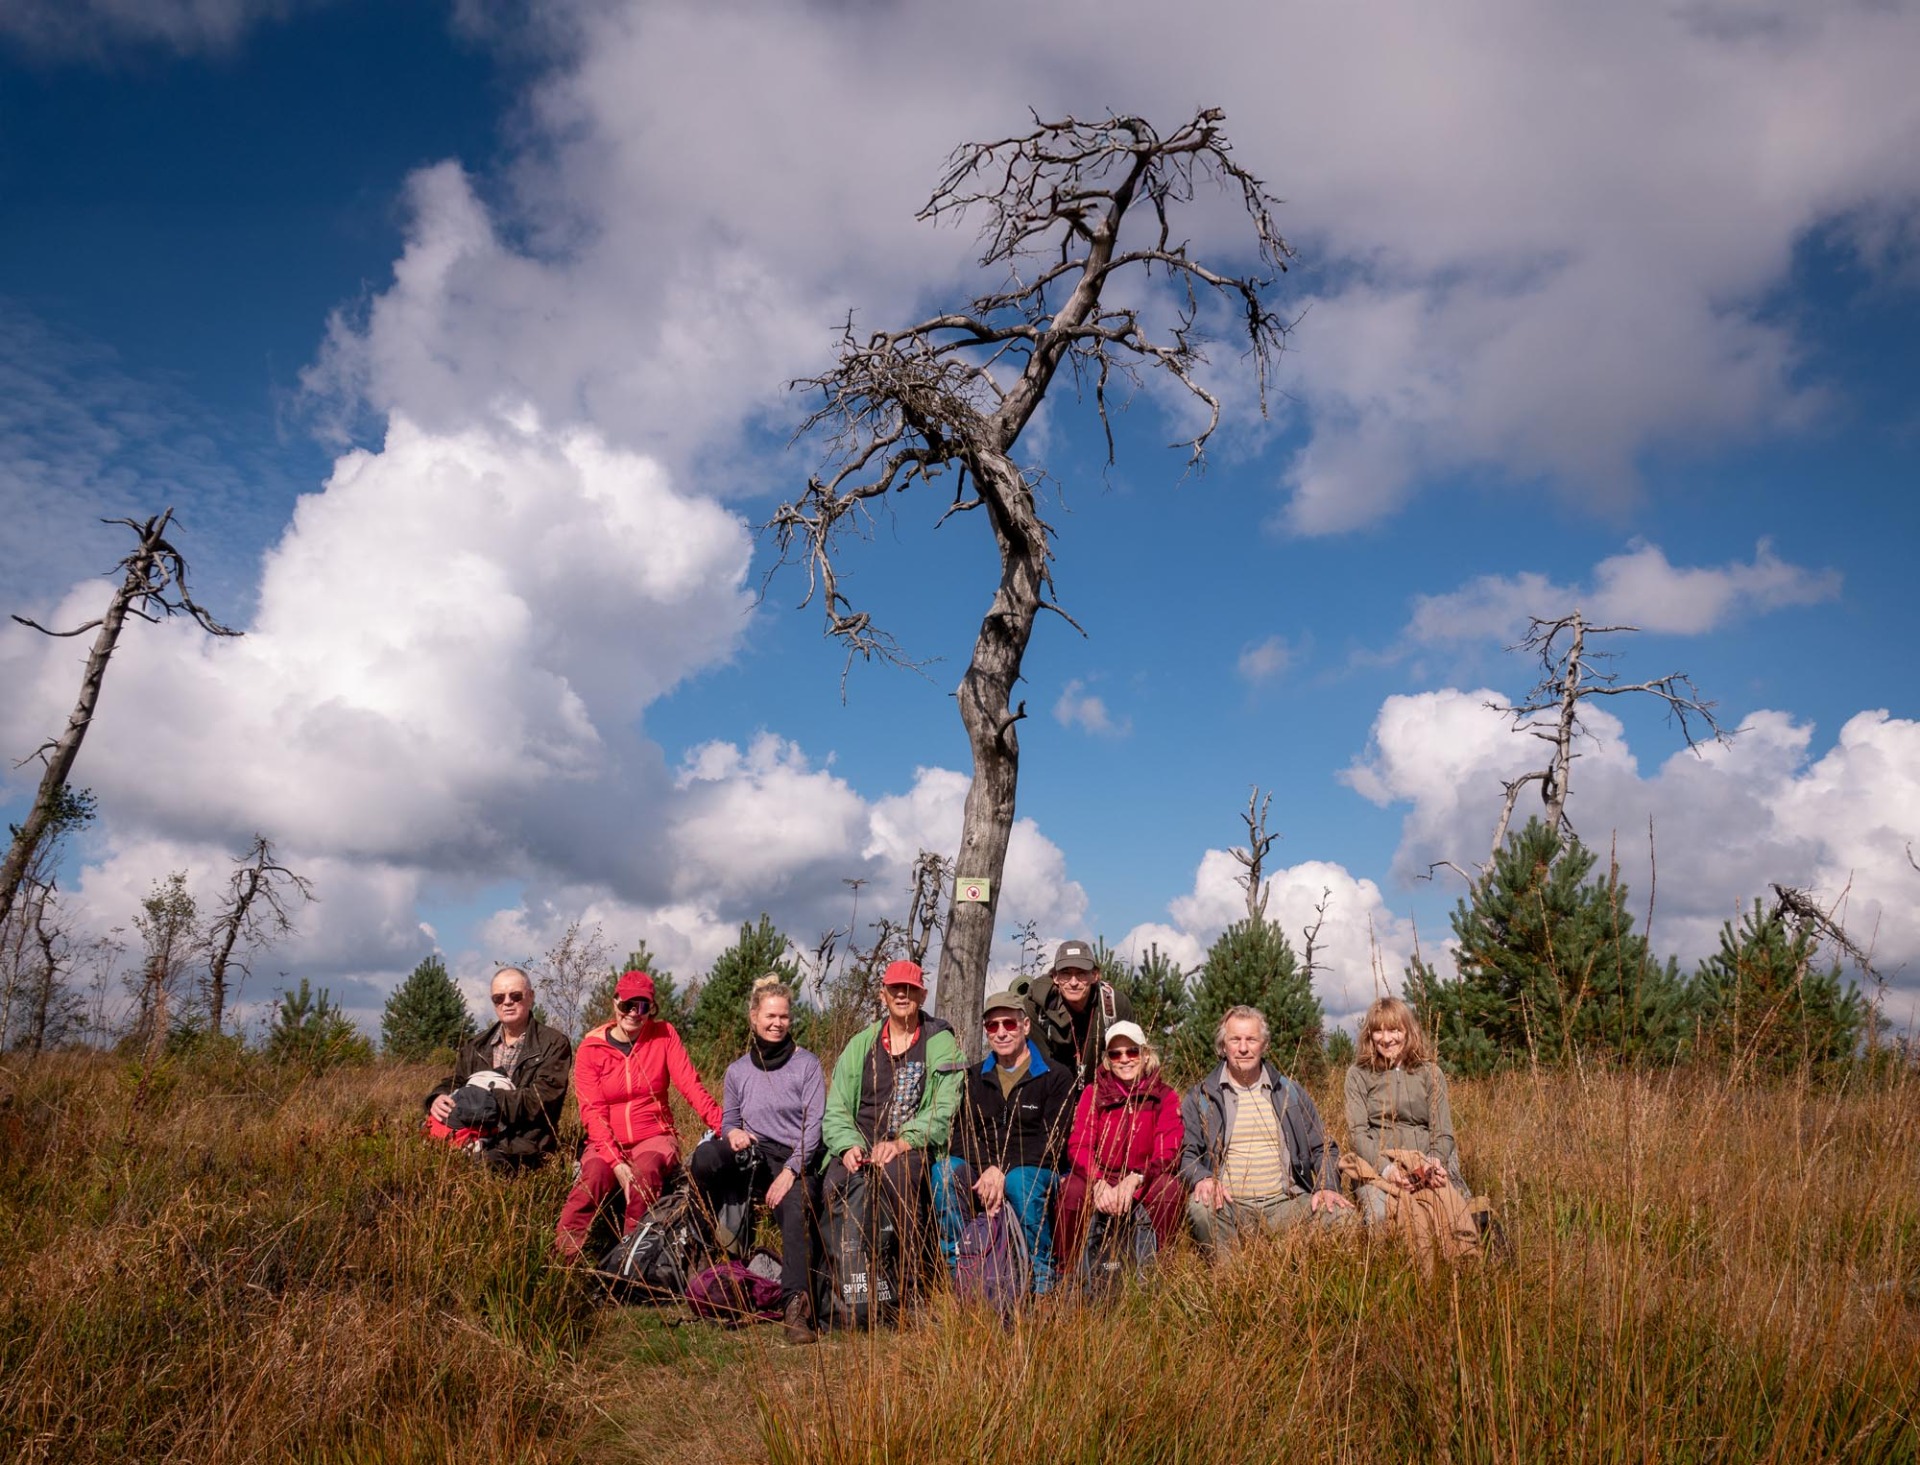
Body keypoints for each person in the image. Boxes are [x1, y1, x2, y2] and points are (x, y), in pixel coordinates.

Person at [686, 975, 827, 1344]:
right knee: (704, 1158)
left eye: (784, 1016)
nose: (777, 1023)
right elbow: (729, 1119)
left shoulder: (807, 1065)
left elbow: (813, 1128)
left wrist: (791, 1173)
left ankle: (795, 1307)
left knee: (797, 1208)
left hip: (796, 1157)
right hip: (753, 1153)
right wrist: (732, 1133)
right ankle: (700, 1254)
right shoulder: (737, 1071)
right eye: (770, 1016)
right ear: (753, 1017)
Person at [554, 970, 723, 1262]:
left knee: (644, 1175)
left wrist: (725, 1126)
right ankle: (564, 1264)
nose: (634, 1013)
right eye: (627, 1005)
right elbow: (592, 1113)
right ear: (614, 1003)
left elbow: (691, 1086)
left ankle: (631, 1264)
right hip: (606, 1140)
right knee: (591, 1179)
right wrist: (616, 1162)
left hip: (654, 1136)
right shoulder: (591, 1049)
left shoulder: (664, 1035)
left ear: (651, 1008)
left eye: (643, 1006)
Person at [820, 960, 964, 1282]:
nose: (902, 995)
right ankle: (838, 1285)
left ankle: (910, 1281)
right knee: (832, 1183)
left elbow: (945, 1107)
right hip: (860, 1143)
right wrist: (848, 1146)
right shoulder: (861, 1044)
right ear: (882, 994)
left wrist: (902, 1142)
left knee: (898, 1177)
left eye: (910, 989)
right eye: (895, 989)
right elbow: (837, 1109)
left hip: (911, 1145)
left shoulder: (940, 1042)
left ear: (922, 995)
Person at [931, 990, 1075, 1295]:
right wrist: (988, 1169)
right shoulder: (972, 1077)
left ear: (1024, 1026)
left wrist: (1003, 1170)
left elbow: (1053, 1142)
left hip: (1033, 1169)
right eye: (992, 1026)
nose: (1001, 1032)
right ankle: (961, 1276)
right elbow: (958, 1135)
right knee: (944, 1173)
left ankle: (1040, 1284)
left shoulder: (1056, 1076)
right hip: (982, 1170)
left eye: (1008, 1024)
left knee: (1020, 1183)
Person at [1180, 1005, 1354, 1255]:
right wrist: (1203, 1178)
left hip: (1287, 1202)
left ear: (1264, 1045)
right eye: (1235, 1039)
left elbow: (1323, 1147)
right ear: (1223, 1045)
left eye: (1251, 1039)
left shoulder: (1289, 1092)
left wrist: (1326, 1186)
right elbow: (1187, 1154)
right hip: (1230, 1206)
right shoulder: (1202, 1096)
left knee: (1343, 1216)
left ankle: (1295, 1267)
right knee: (1200, 1208)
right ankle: (1232, 1278)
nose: (1243, 1048)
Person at [1055, 1021, 1185, 1272]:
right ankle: (1067, 1273)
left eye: (1132, 1051)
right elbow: (1079, 1145)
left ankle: (1160, 1270)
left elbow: (1167, 1152)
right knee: (1071, 1192)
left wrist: (1135, 1180)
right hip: (1101, 1176)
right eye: (1115, 1053)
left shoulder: (1164, 1096)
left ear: (1146, 1055)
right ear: (1107, 1059)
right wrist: (1098, 1181)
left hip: (1143, 1178)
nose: (1124, 1059)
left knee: (1169, 1190)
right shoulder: (1094, 1093)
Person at [422, 966, 572, 1171]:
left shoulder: (553, 1043)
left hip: (525, 1143)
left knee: (480, 1166)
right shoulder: (477, 1045)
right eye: (498, 998)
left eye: (516, 996)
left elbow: (543, 1099)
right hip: (474, 1134)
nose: (507, 1002)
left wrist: (488, 1101)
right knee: (426, 1155)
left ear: (531, 997)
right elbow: (457, 1080)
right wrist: (438, 1097)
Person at [1343, 996, 1469, 1223]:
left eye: (1394, 1030)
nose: (1387, 1039)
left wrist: (1432, 1163)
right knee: (1382, 1216)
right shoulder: (1358, 1074)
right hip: (1377, 1165)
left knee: (1454, 1214)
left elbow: (1443, 1131)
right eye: (1378, 1031)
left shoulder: (1430, 1073)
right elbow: (1358, 1133)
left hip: (1424, 1163)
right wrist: (1387, 1170)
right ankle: (1385, 1259)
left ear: (1408, 1031)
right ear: (1369, 1035)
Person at [1026, 939, 1135, 1087]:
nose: (1073, 982)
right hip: (1053, 1091)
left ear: (1095, 975)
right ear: (1055, 977)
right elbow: (1038, 1066)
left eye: (1081, 973)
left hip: (1103, 1093)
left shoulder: (1116, 1005)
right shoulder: (1037, 1007)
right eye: (1066, 974)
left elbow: (1131, 1061)